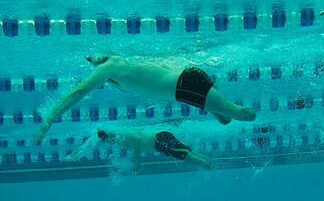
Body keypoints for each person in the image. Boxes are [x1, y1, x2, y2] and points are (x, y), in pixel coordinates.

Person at [34, 55, 256, 143]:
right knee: (225, 118)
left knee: (240, 115)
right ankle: (219, 111)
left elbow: (79, 92)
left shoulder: (111, 66)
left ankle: (259, 122)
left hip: (186, 86)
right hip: (186, 84)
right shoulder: (122, 68)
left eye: (94, 64)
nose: (94, 68)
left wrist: (51, 116)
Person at [67, 126, 211, 171]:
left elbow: (135, 139)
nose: (109, 141)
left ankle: (208, 166)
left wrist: (136, 161)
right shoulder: (109, 138)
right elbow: (88, 145)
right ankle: (209, 162)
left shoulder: (121, 133)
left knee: (185, 156)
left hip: (160, 139)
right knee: (187, 153)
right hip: (160, 142)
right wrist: (74, 156)